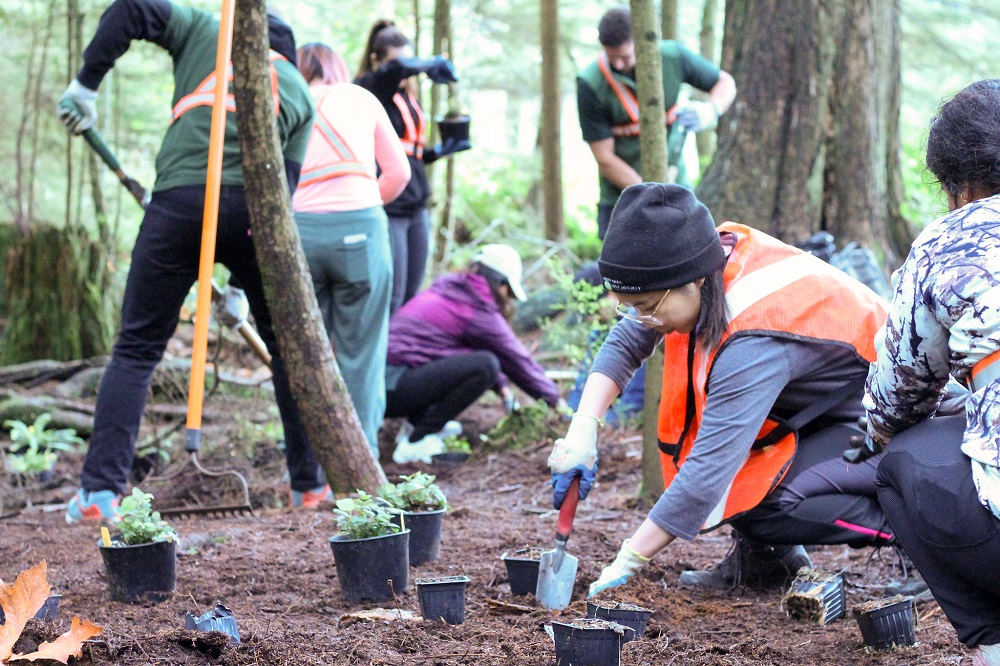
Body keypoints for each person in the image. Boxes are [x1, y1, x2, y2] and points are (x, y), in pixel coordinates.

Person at [548, 182, 899, 595]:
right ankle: (768, 562)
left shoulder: (751, 338)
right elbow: (628, 339)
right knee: (745, 479)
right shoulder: (700, 262)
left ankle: (918, 536)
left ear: (693, 281)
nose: (640, 319)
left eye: (646, 308)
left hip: (890, 423)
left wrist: (627, 562)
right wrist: (583, 429)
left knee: (769, 501)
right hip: (822, 412)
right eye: (630, 306)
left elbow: (707, 473)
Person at [55, 0, 320, 519]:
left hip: (180, 203)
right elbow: (279, 201)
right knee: (288, 351)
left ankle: (100, 494)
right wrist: (246, 283)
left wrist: (87, 84)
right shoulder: (302, 94)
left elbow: (132, 7)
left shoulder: (209, 29)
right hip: (253, 219)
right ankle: (308, 486)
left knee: (136, 348)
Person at [863, 79, 1000, 665]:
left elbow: (893, 403)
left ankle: (993, 645)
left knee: (900, 461)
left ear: (954, 183)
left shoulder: (948, 243)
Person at [292, 42, 410, 456]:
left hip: (299, 235)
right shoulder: (362, 98)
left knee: (307, 354)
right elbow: (399, 173)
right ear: (336, 67)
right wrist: (358, 208)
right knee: (362, 356)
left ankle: (311, 471)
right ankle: (361, 467)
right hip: (361, 230)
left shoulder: (288, 98)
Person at [386, 244, 562, 463]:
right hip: (393, 387)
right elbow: (516, 359)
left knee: (480, 363)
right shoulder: (475, 307)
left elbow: (456, 352)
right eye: (509, 291)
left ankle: (417, 425)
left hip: (386, 383)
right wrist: (556, 402)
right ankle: (416, 441)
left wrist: (502, 388)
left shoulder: (454, 291)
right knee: (485, 366)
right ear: (499, 283)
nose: (509, 299)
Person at [577, 6, 736, 240]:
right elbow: (605, 158)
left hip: (676, 188)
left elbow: (725, 83)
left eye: (625, 57)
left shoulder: (672, 57)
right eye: (612, 58)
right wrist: (651, 194)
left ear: (642, 42)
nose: (618, 65)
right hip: (623, 199)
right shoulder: (590, 84)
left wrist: (710, 110)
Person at [355, 20, 472, 314]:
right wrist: (427, 63)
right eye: (401, 62)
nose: (407, 69)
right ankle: (384, 359)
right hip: (389, 206)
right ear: (376, 59)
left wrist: (436, 153)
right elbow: (393, 72)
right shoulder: (370, 88)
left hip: (416, 202)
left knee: (412, 295)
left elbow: (407, 151)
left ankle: (402, 354)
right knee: (391, 296)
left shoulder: (408, 95)